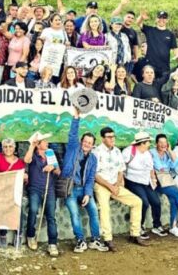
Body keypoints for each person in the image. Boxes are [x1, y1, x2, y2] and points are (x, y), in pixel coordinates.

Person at [60, 106, 108, 253]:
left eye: (90, 142)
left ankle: (95, 240)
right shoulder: (73, 148)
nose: (87, 144)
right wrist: (76, 117)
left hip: (84, 189)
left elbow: (91, 178)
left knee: (93, 210)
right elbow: (72, 134)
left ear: (93, 145)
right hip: (70, 188)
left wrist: (88, 194)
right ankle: (80, 240)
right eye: (85, 141)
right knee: (74, 213)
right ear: (81, 142)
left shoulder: (93, 159)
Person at [93, 127, 148, 250]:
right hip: (102, 185)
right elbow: (95, 175)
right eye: (109, 137)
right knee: (105, 208)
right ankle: (107, 239)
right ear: (102, 138)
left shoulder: (117, 151)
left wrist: (117, 185)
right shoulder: (96, 152)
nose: (112, 139)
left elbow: (120, 170)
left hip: (115, 185)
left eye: (113, 136)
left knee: (137, 202)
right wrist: (110, 186)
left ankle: (135, 234)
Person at [0, 130, 26, 248]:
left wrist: (25, 177)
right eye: (5, 147)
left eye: (10, 146)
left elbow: (23, 176)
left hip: (16, 191)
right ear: (2, 148)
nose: (8, 149)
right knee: (4, 212)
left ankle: (18, 234)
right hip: (2, 191)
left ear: (14, 148)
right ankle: (3, 235)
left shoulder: (20, 162)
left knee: (19, 212)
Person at [122, 132, 166, 239]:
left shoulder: (147, 153)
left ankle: (157, 225)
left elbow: (150, 168)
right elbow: (121, 168)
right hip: (132, 181)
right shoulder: (129, 152)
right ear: (142, 143)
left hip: (146, 181)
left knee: (156, 202)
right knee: (144, 202)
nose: (149, 144)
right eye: (148, 142)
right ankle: (139, 227)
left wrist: (153, 179)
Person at [24, 132, 60, 256]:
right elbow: (26, 160)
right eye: (44, 141)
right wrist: (31, 146)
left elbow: (58, 171)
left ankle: (52, 244)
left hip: (49, 189)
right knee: (33, 210)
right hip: (35, 188)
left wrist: (53, 168)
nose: (47, 142)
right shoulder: (33, 155)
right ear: (38, 144)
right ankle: (30, 235)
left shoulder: (51, 153)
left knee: (51, 216)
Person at [137, 10, 178, 84]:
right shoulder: (150, 30)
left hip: (164, 67)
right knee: (149, 86)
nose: (161, 20)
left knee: (162, 89)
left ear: (167, 20)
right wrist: (141, 17)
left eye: (164, 18)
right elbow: (138, 23)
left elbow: (176, 50)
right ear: (156, 19)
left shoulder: (170, 34)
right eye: (160, 17)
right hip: (150, 66)